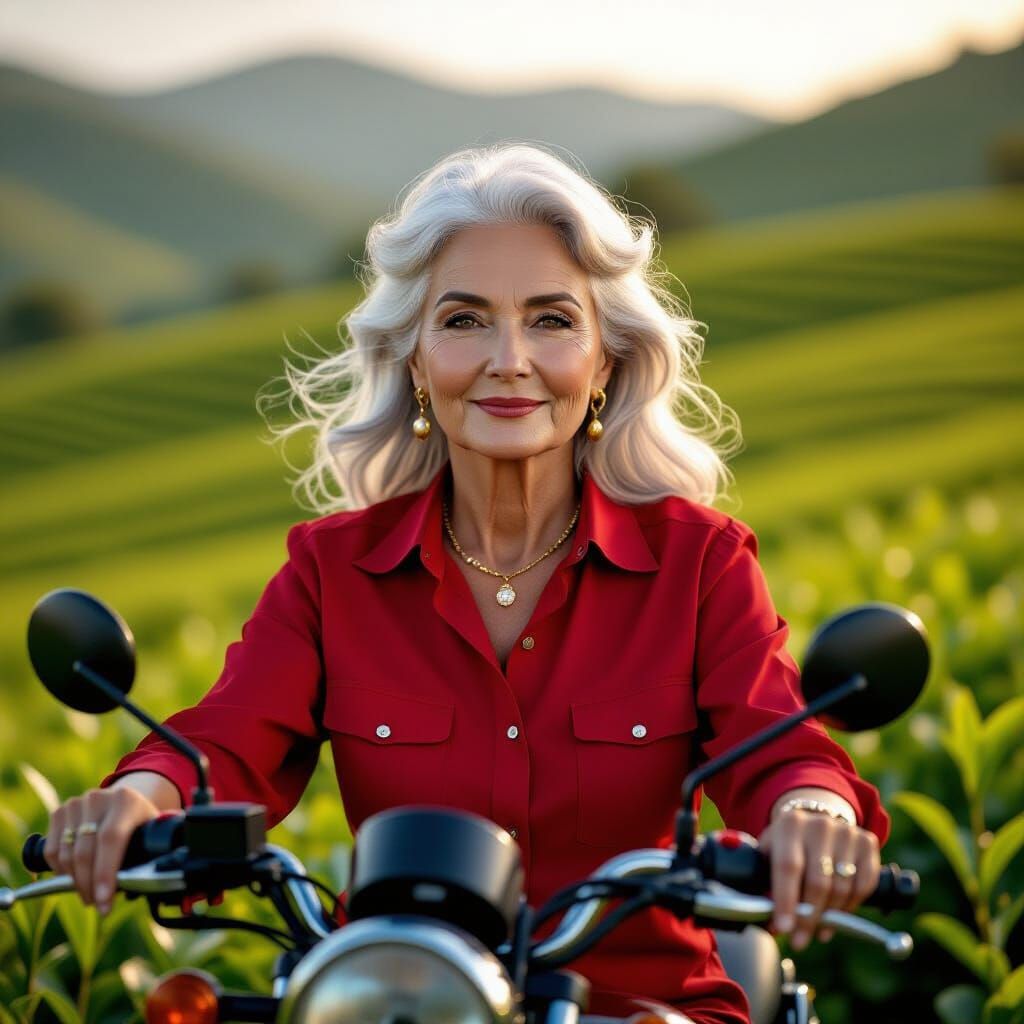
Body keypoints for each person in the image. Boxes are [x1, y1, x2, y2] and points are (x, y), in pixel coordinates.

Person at [44, 142, 890, 1024]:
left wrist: (813, 810)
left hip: (642, 1006)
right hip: (395, 996)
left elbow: (780, 747)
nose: (509, 359)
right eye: (464, 320)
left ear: (605, 362)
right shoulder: (330, 572)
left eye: (553, 320)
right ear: (414, 358)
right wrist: (136, 801)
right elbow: (225, 741)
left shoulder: (701, 563)